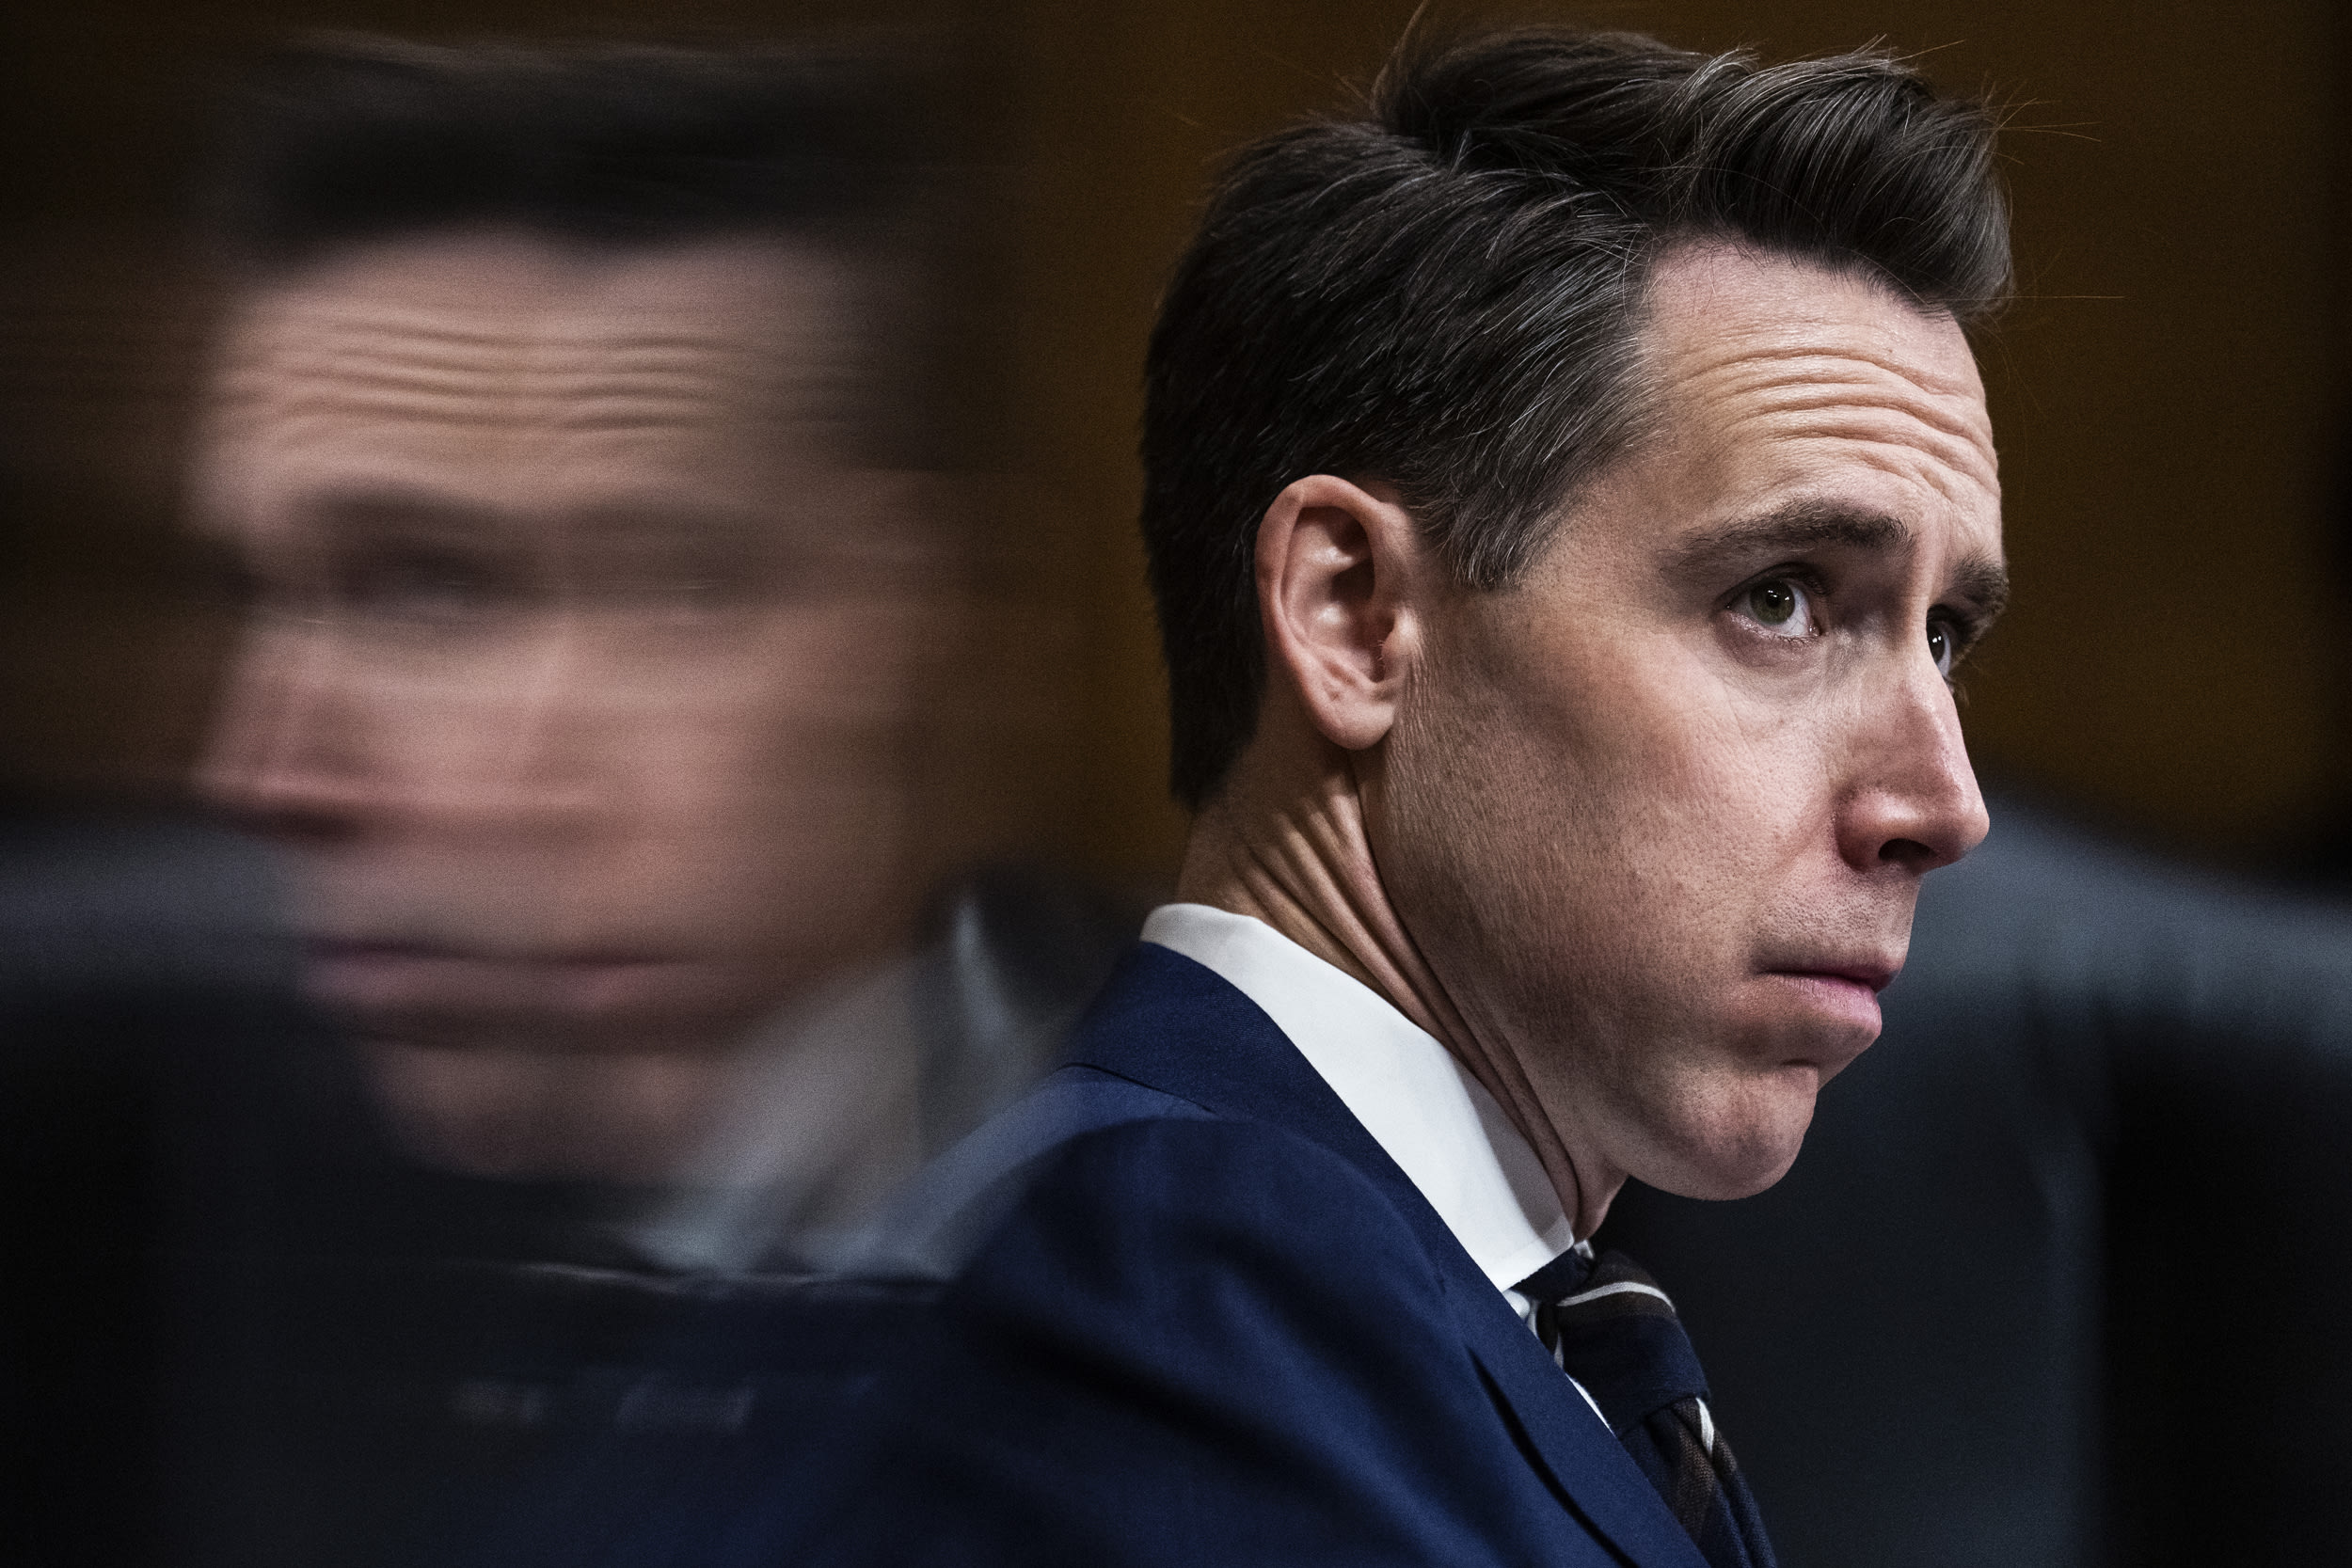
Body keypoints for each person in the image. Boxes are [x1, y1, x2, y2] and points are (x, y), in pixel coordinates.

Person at [827, 24, 2012, 1568]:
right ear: (1353, 616)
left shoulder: (1478, 1300)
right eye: (1781, 597)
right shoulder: (1157, 1275)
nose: (1946, 800)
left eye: (1946, 635)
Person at [153, 40, 1125, 1568]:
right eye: (258, 593)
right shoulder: (168, 1225)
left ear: (946, 633)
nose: (261, 772)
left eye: (432, 588)